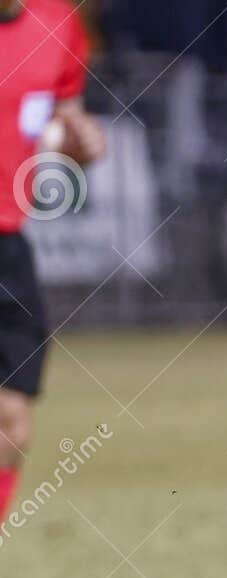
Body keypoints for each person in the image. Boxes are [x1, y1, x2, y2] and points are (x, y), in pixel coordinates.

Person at [0, 0, 105, 536]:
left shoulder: (58, 22)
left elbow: (62, 122)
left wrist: (81, 144)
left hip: (9, 247)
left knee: (13, 424)